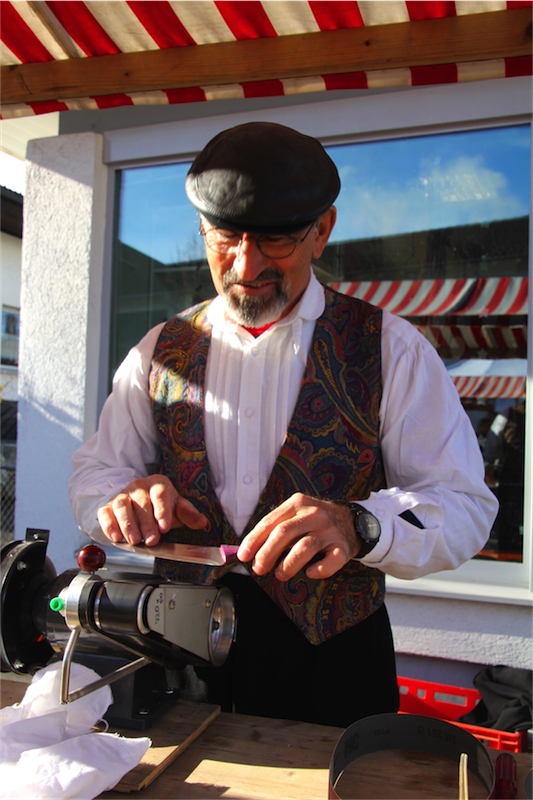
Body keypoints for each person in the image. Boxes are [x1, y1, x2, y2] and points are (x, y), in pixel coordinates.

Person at [69, 121, 498, 728]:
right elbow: (95, 474)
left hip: (332, 669)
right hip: (179, 659)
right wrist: (120, 500)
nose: (245, 265)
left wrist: (361, 524)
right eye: (225, 237)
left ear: (322, 230)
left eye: (274, 240)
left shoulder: (390, 348)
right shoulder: (159, 352)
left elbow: (464, 505)